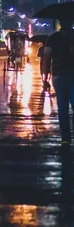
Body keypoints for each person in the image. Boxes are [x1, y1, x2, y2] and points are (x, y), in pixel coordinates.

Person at [43, 16, 74, 145]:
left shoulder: (53, 37)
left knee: (62, 107)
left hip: (59, 76)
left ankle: (66, 137)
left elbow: (46, 57)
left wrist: (45, 78)